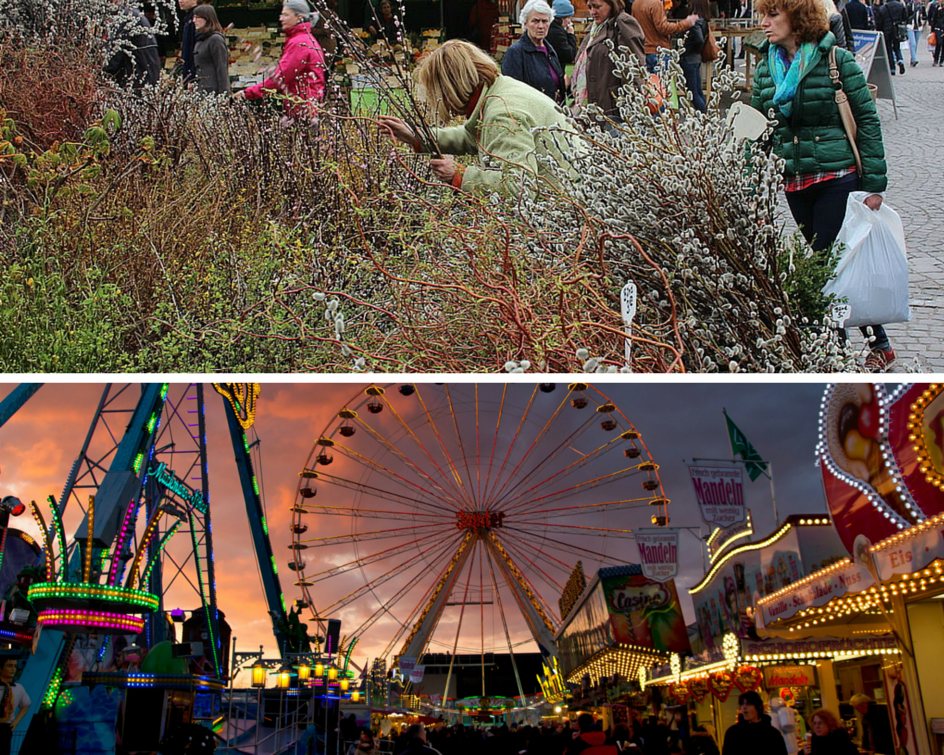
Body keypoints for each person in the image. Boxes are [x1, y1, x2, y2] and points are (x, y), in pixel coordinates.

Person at [751, 0, 896, 369]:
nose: (763, 23)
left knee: (830, 267)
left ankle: (836, 349)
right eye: (762, 15)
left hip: (837, 176)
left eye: (772, 15)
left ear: (797, 19)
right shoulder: (766, 67)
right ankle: (878, 344)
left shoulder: (837, 60)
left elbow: (866, 118)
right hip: (795, 181)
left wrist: (874, 185)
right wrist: (749, 187)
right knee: (832, 265)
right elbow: (758, 130)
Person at [379, 40, 580, 193]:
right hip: (571, 195)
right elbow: (472, 136)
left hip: (564, 212)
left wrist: (461, 175)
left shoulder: (502, 113)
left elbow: (519, 187)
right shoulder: (498, 90)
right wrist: (416, 136)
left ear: (450, 88)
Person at [238, 0, 326, 116]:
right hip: (306, 105)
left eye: (285, 14)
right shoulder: (304, 39)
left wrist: (247, 93)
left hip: (302, 108)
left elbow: (280, 78)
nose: (281, 19)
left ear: (299, 17)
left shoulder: (299, 43)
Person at [571, 0, 646, 119]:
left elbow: (634, 68)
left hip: (613, 109)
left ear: (612, 4)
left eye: (597, 7)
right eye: (589, 7)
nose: (592, 12)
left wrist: (632, 108)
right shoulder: (594, 29)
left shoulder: (623, 23)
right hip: (590, 106)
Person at [502, 0, 567, 103]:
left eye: (545, 21)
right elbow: (511, 93)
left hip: (555, 113)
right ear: (525, 23)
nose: (541, 26)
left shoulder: (550, 50)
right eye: (535, 21)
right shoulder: (515, 52)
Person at [104, 0, 162, 89]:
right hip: (145, 78)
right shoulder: (133, 14)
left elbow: (114, 56)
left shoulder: (126, 16)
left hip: (136, 79)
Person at [633, 0, 698, 71]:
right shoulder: (656, 3)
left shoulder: (636, 3)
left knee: (649, 80)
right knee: (661, 80)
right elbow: (663, 28)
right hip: (658, 51)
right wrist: (686, 23)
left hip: (643, 50)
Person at [722, 692, 789, 755]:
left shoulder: (772, 734)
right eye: (742, 704)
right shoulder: (733, 733)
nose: (744, 707)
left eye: (748, 704)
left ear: (758, 706)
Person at [680, 0, 711, 111]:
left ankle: (703, 115)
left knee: (693, 93)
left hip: (689, 58)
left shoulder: (695, 22)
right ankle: (704, 115)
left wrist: (689, 49)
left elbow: (699, 40)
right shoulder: (704, 21)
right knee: (697, 91)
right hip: (695, 58)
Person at [192, 4, 230, 93]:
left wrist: (224, 96)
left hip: (213, 92)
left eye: (197, 17)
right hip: (202, 91)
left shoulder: (215, 39)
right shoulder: (200, 40)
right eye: (193, 17)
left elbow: (221, 68)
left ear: (207, 18)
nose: (194, 21)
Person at [0, 658, 29, 755]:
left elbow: (26, 704)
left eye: (15, 666)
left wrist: (16, 721)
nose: (13, 669)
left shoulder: (18, 688)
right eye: (9, 666)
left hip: (6, 726)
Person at [874, 0, 907, 73]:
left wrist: (879, 30)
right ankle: (900, 59)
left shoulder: (883, 8)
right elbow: (905, 17)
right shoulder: (900, 5)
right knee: (897, 47)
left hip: (887, 30)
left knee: (889, 49)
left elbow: (879, 22)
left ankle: (892, 68)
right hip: (897, 29)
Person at [547, 0, 579, 66]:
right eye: (569, 17)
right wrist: (571, 35)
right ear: (563, 17)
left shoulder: (551, 28)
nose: (570, 21)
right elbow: (570, 56)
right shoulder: (557, 33)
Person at [178, 0, 198, 81]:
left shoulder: (196, 18)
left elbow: (194, 47)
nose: (180, 1)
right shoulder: (187, 18)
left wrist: (191, 74)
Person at [904, 0, 926, 65]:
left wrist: (922, 22)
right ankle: (914, 59)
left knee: (915, 44)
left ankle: (913, 58)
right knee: (912, 43)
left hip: (918, 27)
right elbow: (906, 15)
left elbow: (925, 16)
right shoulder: (910, 5)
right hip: (910, 26)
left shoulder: (922, 6)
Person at [930, 0, 944, 65]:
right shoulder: (937, 7)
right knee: (939, 43)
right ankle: (936, 59)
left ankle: (941, 61)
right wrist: (932, 29)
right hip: (938, 27)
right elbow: (934, 17)